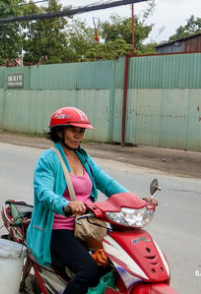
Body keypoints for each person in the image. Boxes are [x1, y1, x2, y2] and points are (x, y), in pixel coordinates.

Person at [26, 107, 156, 294]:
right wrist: (66, 205)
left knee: (121, 263)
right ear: (59, 131)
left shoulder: (83, 157)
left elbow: (108, 184)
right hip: (59, 229)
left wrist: (138, 202)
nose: (78, 136)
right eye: (73, 131)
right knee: (89, 269)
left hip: (88, 226)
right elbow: (43, 192)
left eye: (81, 131)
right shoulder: (48, 159)